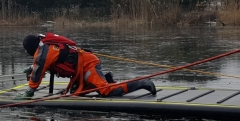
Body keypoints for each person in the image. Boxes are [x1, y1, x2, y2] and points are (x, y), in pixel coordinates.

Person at [19, 33, 156, 99]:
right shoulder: (45, 48)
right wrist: (32, 68)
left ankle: (142, 82)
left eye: (27, 50)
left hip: (87, 65)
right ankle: (103, 80)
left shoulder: (44, 52)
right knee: (75, 94)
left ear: (31, 48)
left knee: (106, 91)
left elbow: (38, 71)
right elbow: (43, 65)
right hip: (79, 69)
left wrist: (29, 92)